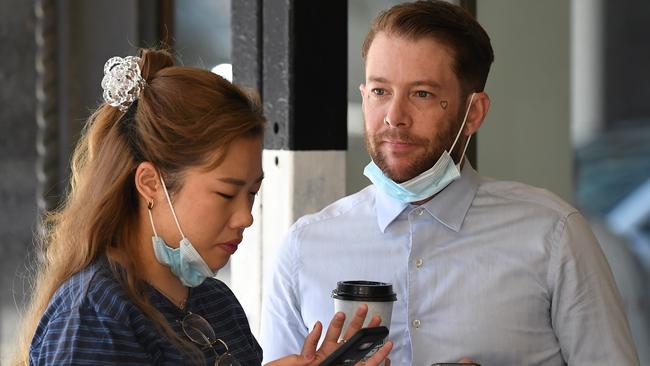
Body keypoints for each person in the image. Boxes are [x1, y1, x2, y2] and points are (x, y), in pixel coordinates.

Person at [260, 1, 640, 365]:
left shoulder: (552, 236)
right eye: (380, 92)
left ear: (473, 113)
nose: (394, 116)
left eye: (422, 94)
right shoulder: (305, 248)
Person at [15, 49, 392, 365]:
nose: (245, 217)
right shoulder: (95, 315)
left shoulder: (217, 301)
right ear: (150, 184)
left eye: (252, 194)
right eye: (226, 195)